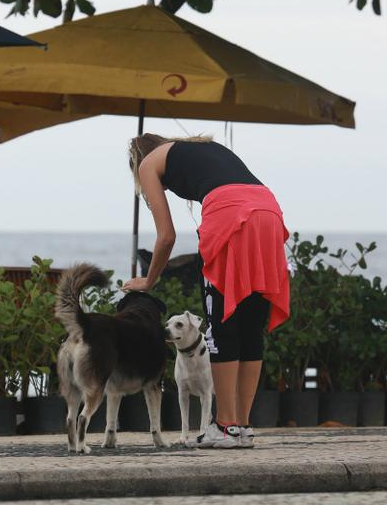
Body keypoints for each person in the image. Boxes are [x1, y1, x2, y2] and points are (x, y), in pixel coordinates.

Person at [123, 134, 290, 449]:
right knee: (251, 327)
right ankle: (242, 427)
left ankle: (224, 428)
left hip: (229, 216)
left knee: (223, 323)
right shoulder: (201, 148)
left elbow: (166, 237)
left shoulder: (148, 162)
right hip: (269, 211)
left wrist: (148, 281)